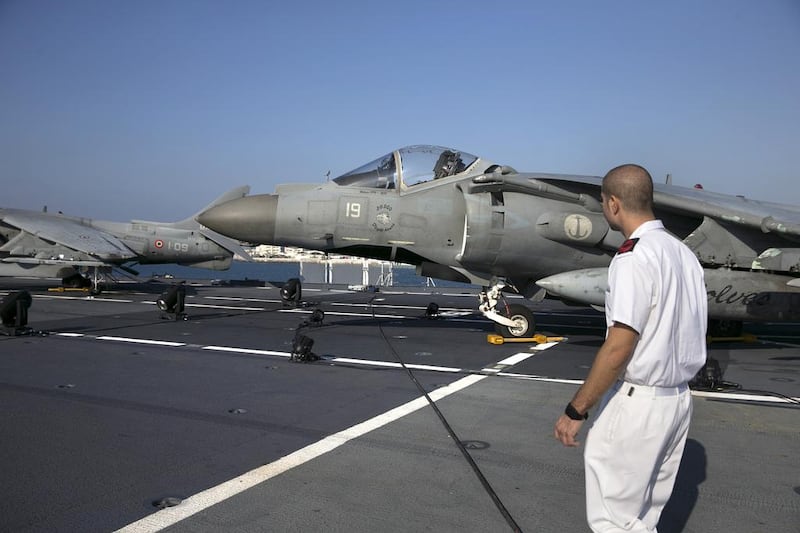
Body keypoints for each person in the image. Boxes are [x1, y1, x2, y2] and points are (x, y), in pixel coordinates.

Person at [553, 164, 707, 532]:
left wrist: (576, 411)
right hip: (677, 402)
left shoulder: (634, 256)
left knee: (613, 521)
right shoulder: (683, 254)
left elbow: (619, 345)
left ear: (614, 204)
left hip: (640, 404)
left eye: (604, 203)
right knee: (643, 517)